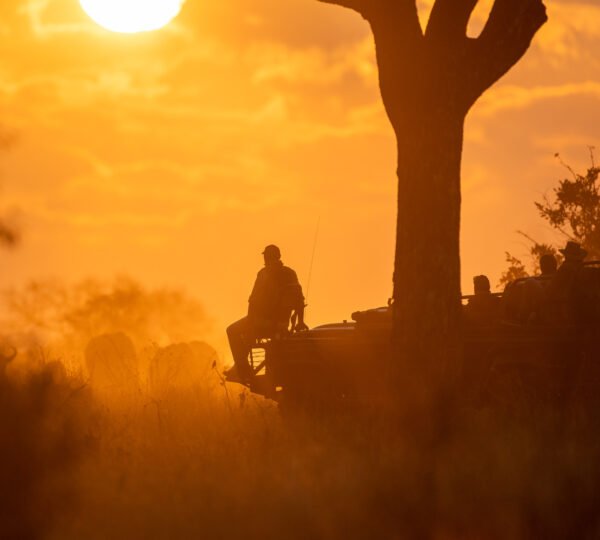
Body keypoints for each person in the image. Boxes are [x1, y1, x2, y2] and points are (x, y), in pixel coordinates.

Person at [226, 245, 308, 383]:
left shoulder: (264, 274)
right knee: (244, 331)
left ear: (266, 257)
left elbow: (253, 301)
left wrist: (251, 326)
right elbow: (299, 300)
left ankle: (242, 370)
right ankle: (240, 366)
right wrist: (300, 322)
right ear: (279, 256)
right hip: (281, 325)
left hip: (262, 323)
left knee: (232, 330)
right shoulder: (290, 274)